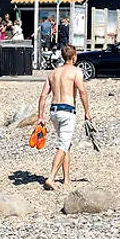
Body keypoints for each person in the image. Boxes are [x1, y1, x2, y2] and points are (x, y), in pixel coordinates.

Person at [36, 44, 91, 192]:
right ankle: (51, 178)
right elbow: (82, 92)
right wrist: (87, 111)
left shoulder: (53, 73)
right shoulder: (75, 71)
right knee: (63, 146)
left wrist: (40, 116)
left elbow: (43, 96)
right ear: (74, 57)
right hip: (67, 111)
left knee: (65, 144)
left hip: (54, 111)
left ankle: (66, 179)